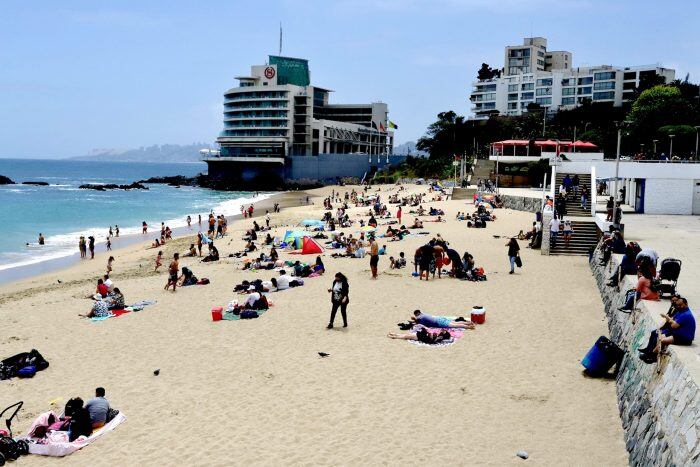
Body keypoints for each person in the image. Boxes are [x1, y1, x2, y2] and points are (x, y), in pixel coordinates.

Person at [411, 310, 475, 329]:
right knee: (455, 323)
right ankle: (468, 323)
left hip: (439, 322)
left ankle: (469, 327)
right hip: (439, 318)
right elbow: (418, 319)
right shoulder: (423, 314)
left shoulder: (421, 318)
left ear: (417, 315)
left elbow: (421, 325)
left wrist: (415, 321)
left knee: (455, 325)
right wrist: (415, 320)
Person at [387, 327, 452, 344]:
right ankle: (395, 334)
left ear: (444, 335)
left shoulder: (439, 338)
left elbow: (431, 340)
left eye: (445, 331)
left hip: (421, 337)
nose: (443, 330)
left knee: (406, 336)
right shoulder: (439, 335)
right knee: (407, 335)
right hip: (422, 334)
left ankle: (394, 337)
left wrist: (427, 334)